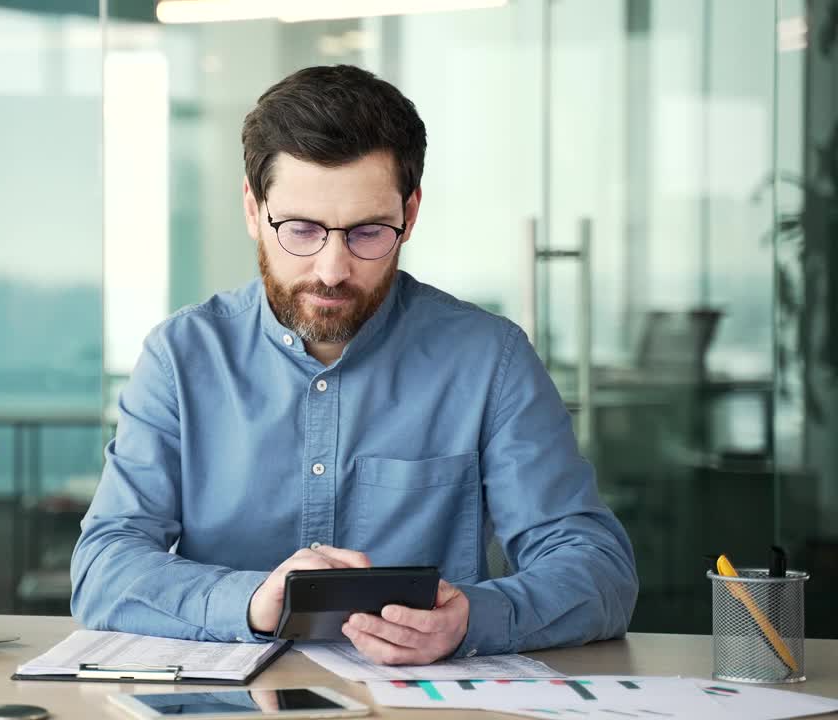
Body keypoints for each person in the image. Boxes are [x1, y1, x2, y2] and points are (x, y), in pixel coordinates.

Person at [71, 64, 637, 664]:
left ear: (410, 214)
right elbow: (105, 566)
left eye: (368, 232)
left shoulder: (488, 359)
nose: (333, 268)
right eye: (301, 229)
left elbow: (596, 567)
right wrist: (250, 601)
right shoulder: (181, 358)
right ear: (252, 209)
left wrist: (473, 618)